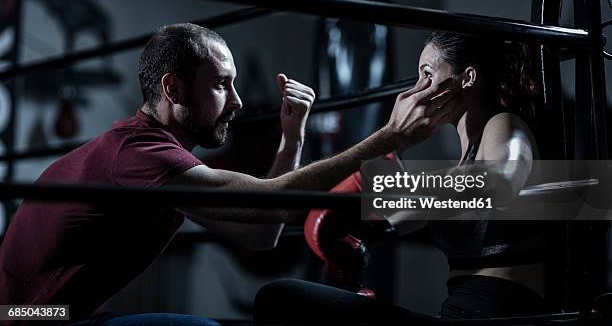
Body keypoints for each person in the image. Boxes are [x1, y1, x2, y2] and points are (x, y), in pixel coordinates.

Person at [0, 23, 458, 325]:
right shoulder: (141, 157)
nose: (237, 101)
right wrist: (390, 138)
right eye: (221, 84)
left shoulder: (156, 158)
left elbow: (259, 236)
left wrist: (291, 139)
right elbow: (273, 200)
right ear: (173, 88)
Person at [255, 32, 551, 323]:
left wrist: (400, 186)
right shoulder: (465, 159)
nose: (418, 89)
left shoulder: (503, 124)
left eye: (427, 74)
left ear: (468, 78)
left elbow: (501, 181)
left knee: (280, 297)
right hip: (459, 312)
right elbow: (418, 209)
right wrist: (362, 234)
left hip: (497, 314)